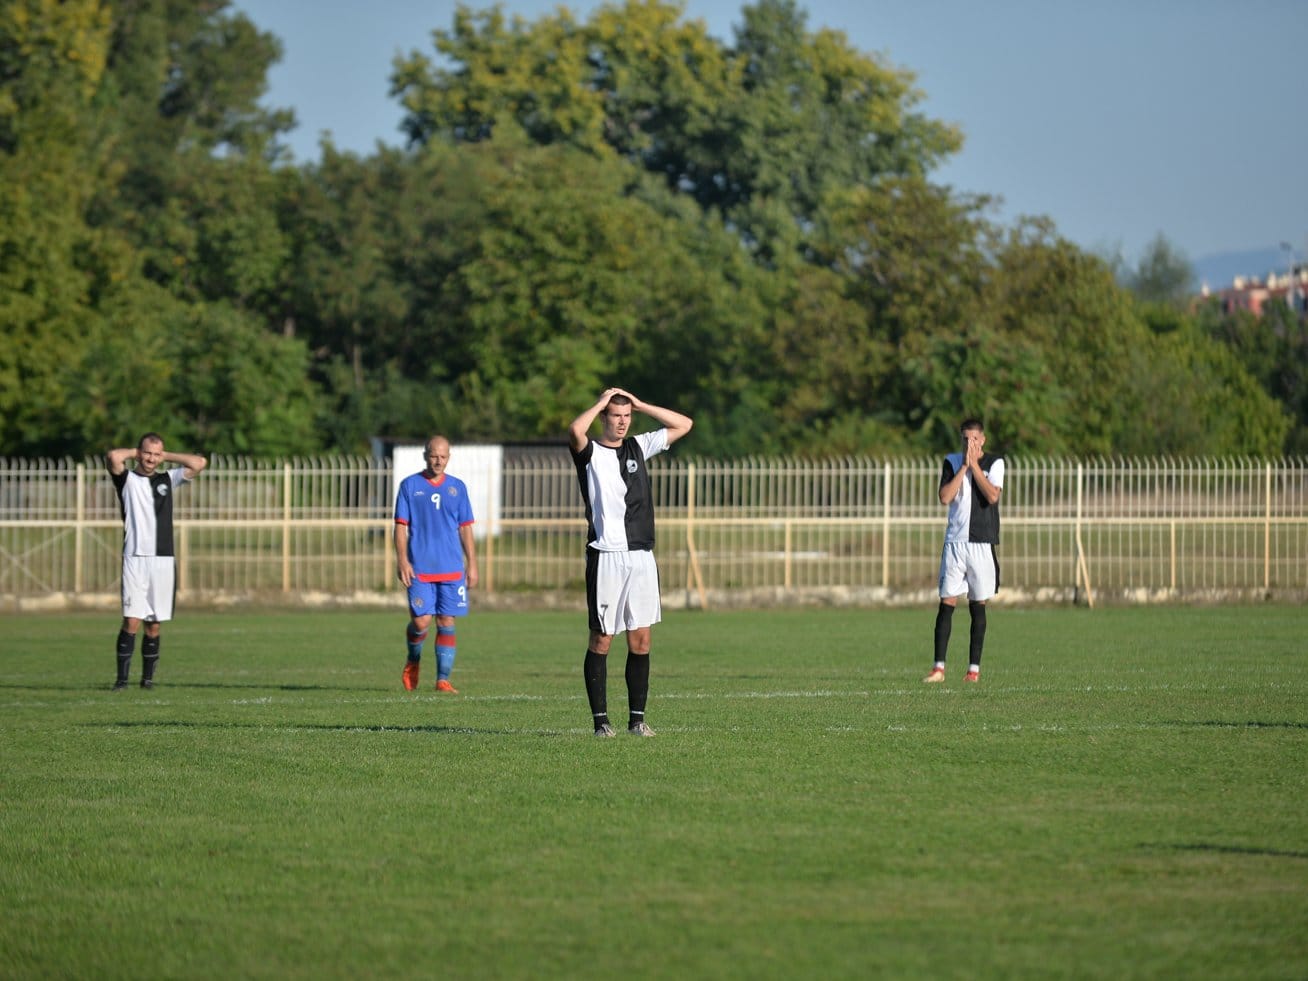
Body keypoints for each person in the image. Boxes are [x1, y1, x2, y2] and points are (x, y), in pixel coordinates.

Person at [568, 387, 693, 737]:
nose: (622, 423)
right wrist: (599, 401)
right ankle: (600, 723)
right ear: (604, 419)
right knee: (603, 639)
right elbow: (576, 430)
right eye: (615, 416)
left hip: (641, 555)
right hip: (606, 554)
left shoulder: (640, 446)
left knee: (641, 641)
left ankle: (637, 720)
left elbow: (684, 424)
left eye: (627, 417)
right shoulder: (589, 452)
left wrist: (640, 403)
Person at [106, 434, 207, 690]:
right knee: (132, 619)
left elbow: (199, 463)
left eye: (155, 454)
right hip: (135, 557)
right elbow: (113, 457)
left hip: (162, 560)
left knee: (154, 623)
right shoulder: (127, 480)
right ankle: (121, 680)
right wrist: (136, 451)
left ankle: (147, 680)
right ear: (139, 453)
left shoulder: (167, 479)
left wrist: (166, 455)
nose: (151, 458)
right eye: (147, 453)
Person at [394, 435, 479, 693]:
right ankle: (413, 659)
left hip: (452, 568)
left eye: (443, 456)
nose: (438, 460)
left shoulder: (458, 487)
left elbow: (465, 529)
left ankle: (443, 680)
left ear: (449, 457)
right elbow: (400, 527)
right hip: (419, 567)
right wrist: (402, 560)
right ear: (425, 455)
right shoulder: (410, 486)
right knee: (421, 622)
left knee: (446, 620)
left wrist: (472, 564)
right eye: (433, 455)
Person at [925, 418, 1004, 684]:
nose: (968, 443)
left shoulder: (995, 463)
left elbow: (992, 496)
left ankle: (973, 671)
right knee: (947, 601)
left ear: (982, 440)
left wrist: (975, 469)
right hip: (955, 543)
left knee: (977, 603)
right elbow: (945, 497)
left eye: (973, 439)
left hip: (981, 543)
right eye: (964, 439)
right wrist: (963, 469)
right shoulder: (951, 461)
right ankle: (938, 668)